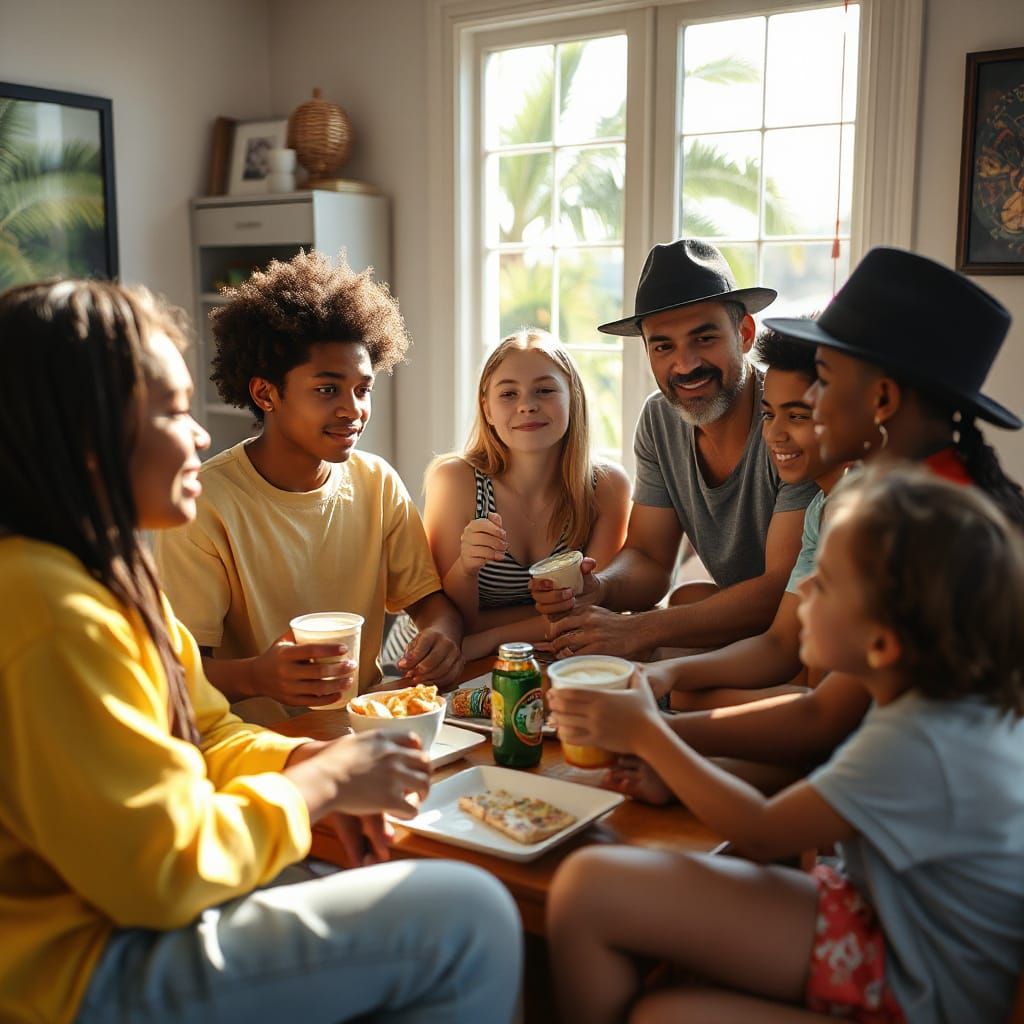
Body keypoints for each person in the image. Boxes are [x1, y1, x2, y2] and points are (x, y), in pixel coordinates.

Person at [0, 280, 522, 1024]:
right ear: (87, 433)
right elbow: (162, 873)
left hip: (139, 916)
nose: (202, 435)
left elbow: (205, 729)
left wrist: (301, 765)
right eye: (174, 412)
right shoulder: (48, 608)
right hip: (81, 969)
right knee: (471, 914)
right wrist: (321, 782)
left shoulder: (106, 576)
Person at [548, 465, 1024, 1024]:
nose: (805, 590)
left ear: (881, 641)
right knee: (593, 889)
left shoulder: (919, 744)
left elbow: (760, 831)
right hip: (882, 922)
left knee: (664, 1012)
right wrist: (665, 757)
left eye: (825, 580)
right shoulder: (937, 709)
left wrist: (650, 735)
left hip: (916, 989)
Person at [639, 245, 1024, 783]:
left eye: (822, 378)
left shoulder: (920, 530)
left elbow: (825, 718)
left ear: (882, 400)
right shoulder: (873, 496)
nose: (808, 401)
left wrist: (658, 736)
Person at [154, 251, 465, 720]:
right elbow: (179, 670)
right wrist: (259, 676)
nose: (352, 409)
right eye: (327, 389)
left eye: (363, 389)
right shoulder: (205, 504)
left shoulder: (376, 482)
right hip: (256, 748)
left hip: (367, 730)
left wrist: (441, 635)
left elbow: (428, 603)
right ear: (266, 394)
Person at [530, 239, 816, 660]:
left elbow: (780, 587)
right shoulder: (660, 420)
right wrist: (599, 589)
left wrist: (638, 629)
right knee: (687, 599)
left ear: (745, 333)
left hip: (807, 632)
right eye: (664, 346)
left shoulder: (788, 421)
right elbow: (648, 556)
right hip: (747, 629)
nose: (685, 365)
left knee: (674, 627)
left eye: (703, 338)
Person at [383, 328, 630, 662]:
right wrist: (466, 569)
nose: (527, 405)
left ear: (573, 398)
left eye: (544, 390)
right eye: (508, 394)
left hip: (523, 659)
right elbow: (454, 620)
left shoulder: (607, 487)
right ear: (486, 409)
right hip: (426, 664)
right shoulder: (455, 480)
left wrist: (491, 638)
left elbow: (591, 612)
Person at [646, 324, 846, 713]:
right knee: (688, 602)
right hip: (817, 706)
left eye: (798, 416)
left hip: (859, 735)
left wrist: (672, 701)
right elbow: (779, 645)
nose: (775, 435)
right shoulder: (820, 510)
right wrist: (666, 676)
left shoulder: (858, 516)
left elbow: (815, 702)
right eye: (769, 415)